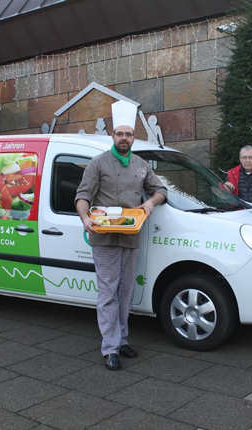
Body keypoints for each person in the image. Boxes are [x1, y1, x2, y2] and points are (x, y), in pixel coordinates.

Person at [75, 100, 167, 371]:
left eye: (128, 134)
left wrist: (151, 203)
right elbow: (82, 196)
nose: (124, 138)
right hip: (104, 237)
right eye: (120, 133)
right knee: (107, 293)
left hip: (129, 235)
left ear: (133, 137)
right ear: (112, 136)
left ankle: (121, 339)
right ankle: (110, 348)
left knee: (126, 292)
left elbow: (160, 189)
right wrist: (84, 217)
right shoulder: (98, 163)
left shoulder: (141, 165)